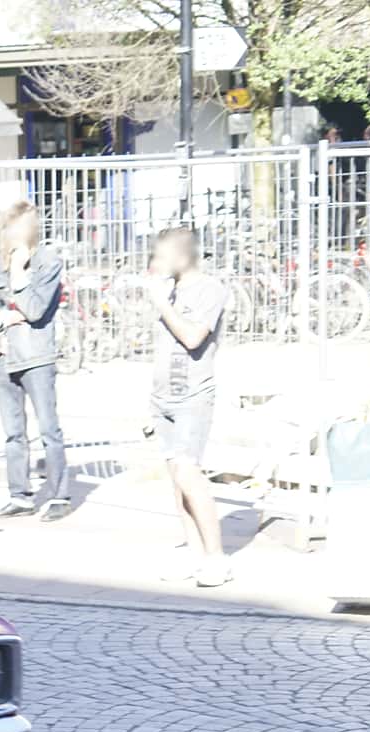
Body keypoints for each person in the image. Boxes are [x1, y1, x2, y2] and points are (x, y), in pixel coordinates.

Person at [145, 226, 230, 588]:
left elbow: (194, 337)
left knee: (188, 474)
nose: (155, 263)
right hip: (163, 396)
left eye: (162, 256)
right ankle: (194, 553)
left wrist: (162, 305)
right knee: (177, 483)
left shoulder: (210, 289)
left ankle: (216, 557)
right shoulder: (172, 289)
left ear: (181, 257)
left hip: (193, 396)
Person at [0, 201, 70, 523]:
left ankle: (60, 494)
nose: (8, 236)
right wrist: (5, 317)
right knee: (13, 434)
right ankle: (20, 495)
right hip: (6, 358)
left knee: (49, 429)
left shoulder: (47, 261)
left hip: (37, 357)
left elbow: (34, 310)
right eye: (5, 229)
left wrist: (18, 274)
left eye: (13, 229)